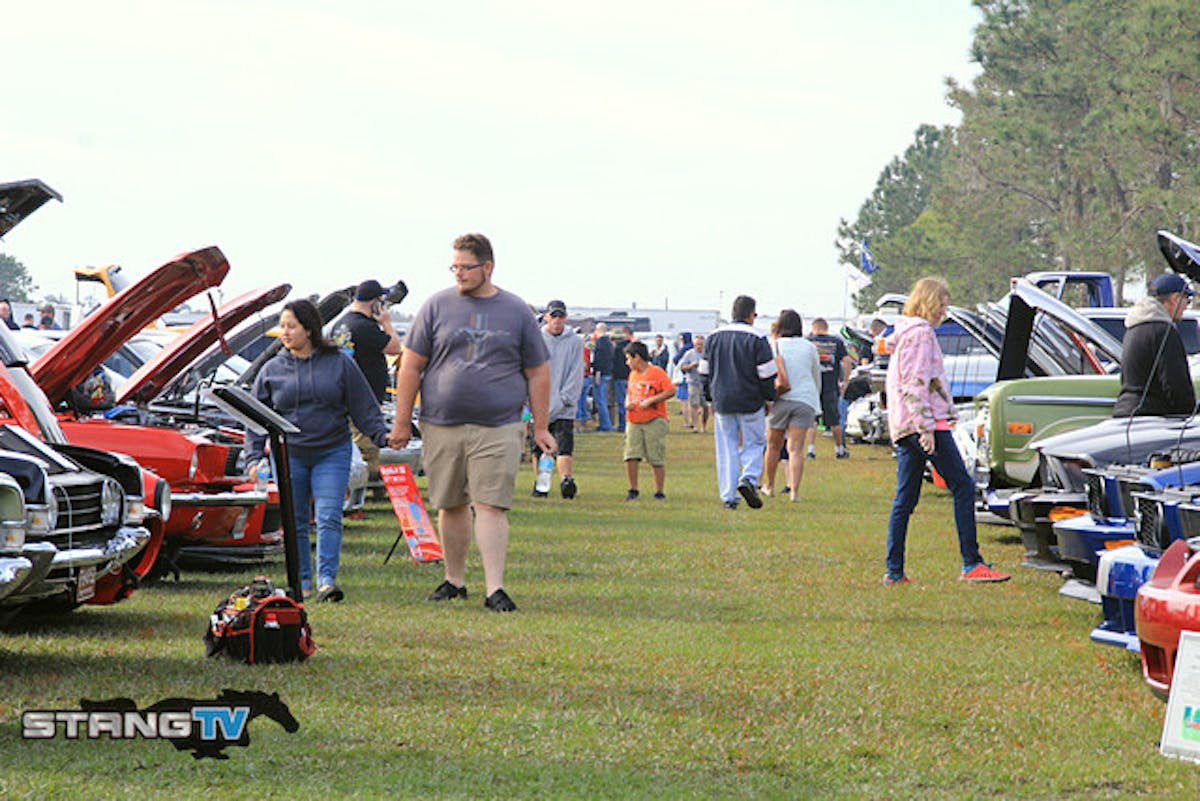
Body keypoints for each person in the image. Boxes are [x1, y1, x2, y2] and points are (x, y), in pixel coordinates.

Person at [389, 233, 553, 613]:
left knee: (491, 503)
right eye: (455, 267)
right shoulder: (435, 306)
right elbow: (410, 366)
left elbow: (538, 372)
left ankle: (495, 587)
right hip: (441, 423)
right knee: (450, 504)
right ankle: (454, 579)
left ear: (488, 267)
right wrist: (401, 423)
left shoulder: (516, 311)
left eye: (466, 267)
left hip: (499, 424)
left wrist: (541, 427)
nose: (459, 274)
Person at [245, 298, 391, 603]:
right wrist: (254, 456)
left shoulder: (340, 362)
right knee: (295, 520)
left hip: (331, 451)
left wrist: (382, 436)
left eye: (291, 326)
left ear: (309, 329)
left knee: (328, 516)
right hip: (288, 455)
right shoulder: (271, 369)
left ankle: (326, 581)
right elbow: (254, 417)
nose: (284, 332)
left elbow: (363, 405)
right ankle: (302, 583)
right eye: (282, 326)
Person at [883, 277, 1010, 585]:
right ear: (928, 303)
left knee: (905, 499)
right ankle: (971, 563)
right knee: (963, 487)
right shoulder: (922, 334)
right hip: (926, 426)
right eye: (941, 303)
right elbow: (916, 383)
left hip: (905, 426)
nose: (944, 310)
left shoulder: (904, 334)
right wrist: (926, 428)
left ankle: (894, 571)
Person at [698, 295, 776, 510]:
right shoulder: (758, 338)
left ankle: (729, 496)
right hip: (750, 400)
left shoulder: (713, 337)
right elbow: (767, 374)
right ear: (751, 315)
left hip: (723, 400)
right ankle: (749, 478)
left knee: (726, 448)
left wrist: (709, 397)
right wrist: (769, 398)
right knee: (755, 443)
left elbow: (704, 372)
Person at [331, 279, 404, 483]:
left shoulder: (341, 324)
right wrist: (386, 323)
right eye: (381, 301)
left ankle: (356, 489)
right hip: (365, 399)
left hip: (344, 395)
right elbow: (395, 347)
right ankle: (361, 493)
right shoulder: (364, 326)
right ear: (374, 302)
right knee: (366, 446)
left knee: (352, 445)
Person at [1113, 272, 1196, 417]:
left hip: (1125, 413)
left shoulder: (1134, 327)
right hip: (1151, 418)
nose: (1185, 308)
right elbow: (1176, 386)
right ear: (1175, 298)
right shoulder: (1164, 331)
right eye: (1186, 300)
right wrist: (1190, 414)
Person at [763, 310, 821, 502]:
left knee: (773, 446)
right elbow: (816, 375)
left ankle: (769, 486)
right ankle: (794, 492)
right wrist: (816, 399)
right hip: (805, 399)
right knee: (795, 448)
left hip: (781, 398)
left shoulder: (774, 345)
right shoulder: (809, 347)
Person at [534, 299, 584, 498]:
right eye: (553, 316)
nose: (556, 320)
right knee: (539, 447)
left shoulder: (574, 342)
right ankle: (541, 483)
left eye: (560, 316)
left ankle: (566, 479)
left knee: (564, 445)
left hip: (563, 404)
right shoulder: (537, 338)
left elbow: (576, 372)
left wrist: (565, 398)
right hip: (539, 402)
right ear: (546, 317)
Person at [622, 340, 675, 501]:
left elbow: (671, 390)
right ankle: (633, 489)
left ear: (637, 357)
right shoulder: (633, 374)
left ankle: (659, 491)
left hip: (654, 419)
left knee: (655, 456)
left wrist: (651, 401)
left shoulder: (657, 372)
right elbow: (629, 393)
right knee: (631, 454)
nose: (627, 362)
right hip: (634, 419)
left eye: (629, 358)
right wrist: (627, 403)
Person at [805, 317, 852, 459]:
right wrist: (845, 381)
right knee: (834, 420)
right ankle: (839, 450)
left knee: (812, 420)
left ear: (815, 328)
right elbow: (847, 360)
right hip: (830, 385)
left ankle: (811, 450)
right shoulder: (837, 341)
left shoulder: (809, 341)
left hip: (812, 385)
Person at [679, 334, 710, 433]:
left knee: (705, 406)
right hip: (692, 381)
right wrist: (691, 366)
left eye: (701, 344)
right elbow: (682, 367)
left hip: (705, 383)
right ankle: (695, 426)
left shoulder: (708, 354)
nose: (699, 346)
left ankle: (704, 426)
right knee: (694, 404)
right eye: (697, 344)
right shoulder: (689, 354)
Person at [590, 323, 615, 432]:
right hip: (608, 372)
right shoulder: (609, 342)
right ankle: (606, 424)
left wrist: (597, 373)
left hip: (601, 373)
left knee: (600, 401)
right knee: (603, 400)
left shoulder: (600, 342)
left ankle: (605, 425)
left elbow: (600, 358)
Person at [609, 326, 634, 432]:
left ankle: (622, 425)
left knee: (621, 403)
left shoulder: (617, 349)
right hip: (630, 377)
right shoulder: (631, 347)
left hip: (619, 378)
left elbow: (614, 364)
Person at [673, 331, 694, 428]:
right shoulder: (693, 348)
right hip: (693, 376)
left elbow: (675, 359)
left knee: (684, 401)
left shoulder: (685, 348)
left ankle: (686, 422)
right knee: (692, 401)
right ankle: (694, 422)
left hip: (683, 377)